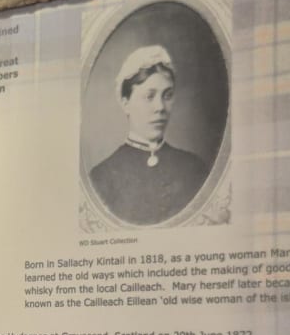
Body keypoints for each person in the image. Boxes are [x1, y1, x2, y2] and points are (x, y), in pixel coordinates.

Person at [89, 45, 210, 225]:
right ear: (125, 103)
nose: (160, 107)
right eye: (149, 96)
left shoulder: (194, 168)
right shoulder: (101, 178)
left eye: (167, 95)